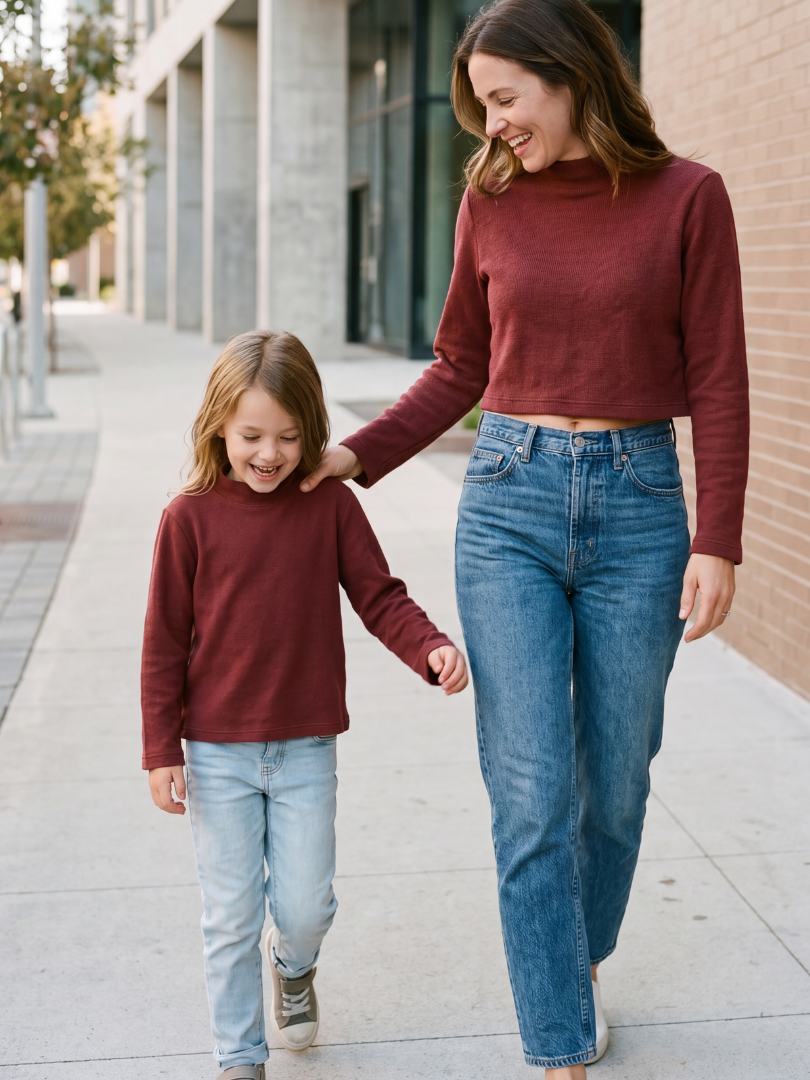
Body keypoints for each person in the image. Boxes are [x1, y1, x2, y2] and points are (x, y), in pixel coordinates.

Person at [300, 1, 749, 1076]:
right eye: (479, 106)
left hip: (644, 504)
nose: (492, 126)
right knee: (532, 786)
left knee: (620, 773)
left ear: (568, 74)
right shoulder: (489, 201)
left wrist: (719, 536)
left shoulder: (690, 197)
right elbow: (460, 364)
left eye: (504, 100)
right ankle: (558, 1027)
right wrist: (351, 458)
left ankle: (573, 949)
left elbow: (719, 378)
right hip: (507, 501)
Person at [141, 329, 468, 1080]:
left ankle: (294, 969)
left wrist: (429, 648)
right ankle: (239, 1058)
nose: (269, 453)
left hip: (305, 749)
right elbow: (162, 644)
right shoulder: (187, 518)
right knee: (228, 919)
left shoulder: (328, 506)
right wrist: (162, 750)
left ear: (311, 431)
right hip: (218, 753)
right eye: (251, 435)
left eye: (288, 436)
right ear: (218, 425)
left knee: (305, 910)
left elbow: (380, 596)